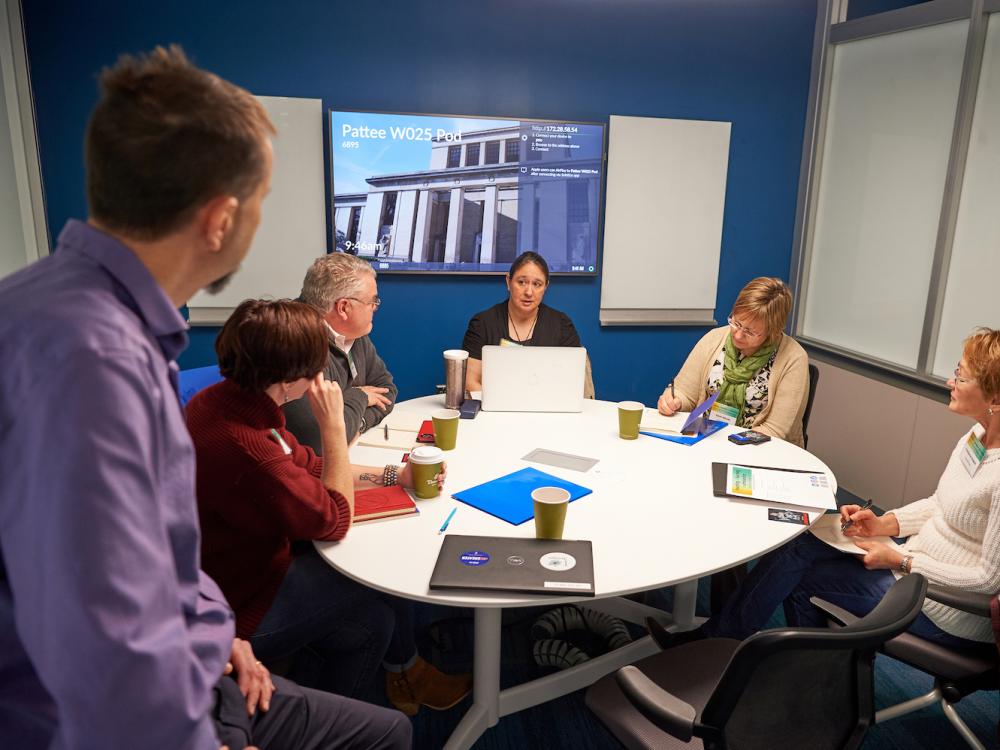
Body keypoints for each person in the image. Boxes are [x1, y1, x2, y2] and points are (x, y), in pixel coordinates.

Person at [0, 46, 410, 749]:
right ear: (221, 219)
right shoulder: (94, 361)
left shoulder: (63, 311)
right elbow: (103, 637)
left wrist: (211, 629)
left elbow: (148, 552)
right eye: (261, 203)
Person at [187, 298, 471, 716]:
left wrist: (396, 474)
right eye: (316, 367)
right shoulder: (249, 450)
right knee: (380, 568)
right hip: (241, 606)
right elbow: (333, 518)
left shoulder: (225, 401)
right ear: (288, 380)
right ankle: (389, 686)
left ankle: (343, 713)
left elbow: (310, 464)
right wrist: (334, 426)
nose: (322, 376)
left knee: (374, 624)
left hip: (227, 573)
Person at [649, 328, 1000, 651]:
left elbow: (988, 580)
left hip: (943, 607)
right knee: (800, 540)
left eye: (962, 376)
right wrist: (884, 523)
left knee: (798, 577)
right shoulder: (977, 437)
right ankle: (732, 645)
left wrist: (905, 561)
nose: (950, 380)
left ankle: (805, 679)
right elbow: (941, 504)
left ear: (994, 399)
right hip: (912, 565)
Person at [658, 276, 809, 447]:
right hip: (705, 440)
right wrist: (674, 401)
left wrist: (727, 444)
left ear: (773, 332)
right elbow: (685, 392)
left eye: (750, 332)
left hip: (760, 450)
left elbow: (775, 431)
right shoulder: (714, 339)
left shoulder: (793, 359)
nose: (737, 335)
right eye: (736, 323)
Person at [284, 253, 397, 450]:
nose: (375, 308)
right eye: (372, 301)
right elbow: (319, 439)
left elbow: (386, 391)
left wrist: (357, 425)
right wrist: (359, 396)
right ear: (344, 307)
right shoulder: (293, 343)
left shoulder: (355, 332)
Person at [462, 250, 592, 395]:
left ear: (545, 287)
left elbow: (572, 383)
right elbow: (470, 382)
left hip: (547, 411)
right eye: (521, 282)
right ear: (508, 282)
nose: (529, 292)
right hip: (495, 413)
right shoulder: (482, 323)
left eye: (537, 284)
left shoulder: (561, 325)